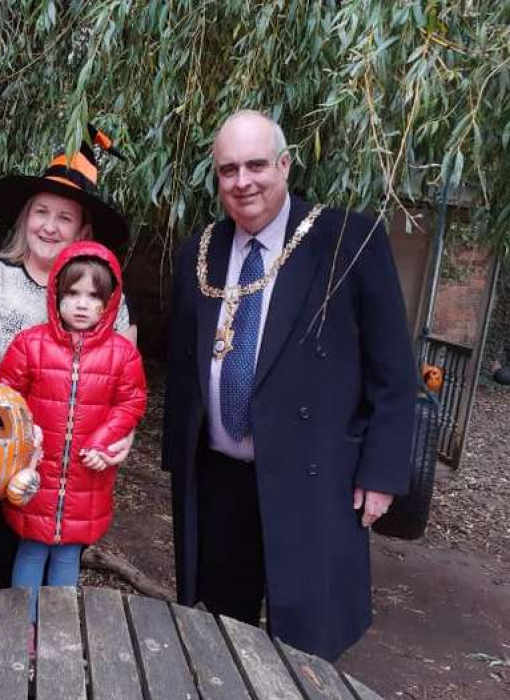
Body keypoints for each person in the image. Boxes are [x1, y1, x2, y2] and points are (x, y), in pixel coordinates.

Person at [163, 110, 415, 661]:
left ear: (284, 164)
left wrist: (382, 472)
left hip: (312, 476)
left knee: (305, 643)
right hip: (219, 480)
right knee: (222, 632)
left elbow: (394, 373)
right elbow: (185, 366)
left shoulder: (348, 239)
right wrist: (176, 459)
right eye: (228, 169)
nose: (243, 181)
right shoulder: (199, 251)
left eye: (256, 165)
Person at [0, 129, 138, 619]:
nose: (49, 226)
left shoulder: (103, 295)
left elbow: (125, 378)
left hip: (74, 455)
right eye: (41, 212)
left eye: (64, 217)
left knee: (64, 553)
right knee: (1, 555)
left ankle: (53, 648)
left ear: (81, 230)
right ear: (26, 218)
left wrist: (119, 435)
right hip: (4, 448)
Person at [0, 241, 147, 645]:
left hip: (86, 476)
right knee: (29, 552)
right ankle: (22, 627)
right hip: (35, 474)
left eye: (93, 296)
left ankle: (56, 627)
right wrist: (27, 438)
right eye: (73, 293)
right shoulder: (31, 344)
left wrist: (104, 441)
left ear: (109, 302)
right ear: (56, 296)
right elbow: (5, 396)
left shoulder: (122, 355)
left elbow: (131, 400)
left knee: (66, 557)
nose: (82, 304)